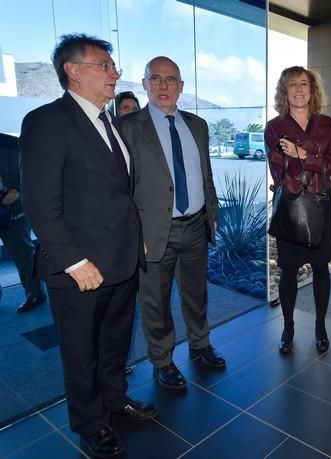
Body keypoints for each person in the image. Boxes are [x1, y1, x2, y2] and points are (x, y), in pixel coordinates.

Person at [19, 33, 157, 458]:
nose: (115, 72)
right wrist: (74, 261)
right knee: (82, 354)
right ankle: (90, 423)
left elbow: (118, 193)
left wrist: (139, 242)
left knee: (116, 343)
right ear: (73, 71)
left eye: (113, 65)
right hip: (81, 268)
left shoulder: (109, 121)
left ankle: (115, 400)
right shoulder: (47, 121)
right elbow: (40, 203)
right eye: (104, 65)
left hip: (122, 259)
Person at [116, 56, 224, 391]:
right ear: (144, 84)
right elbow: (120, 188)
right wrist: (135, 234)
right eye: (156, 79)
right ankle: (162, 361)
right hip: (153, 233)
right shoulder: (127, 128)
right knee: (155, 302)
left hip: (195, 227)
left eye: (171, 79)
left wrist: (212, 215)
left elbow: (205, 174)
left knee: (196, 294)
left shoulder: (198, 126)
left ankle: (200, 343)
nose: (164, 86)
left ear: (181, 86)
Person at [266, 66, 331, 354]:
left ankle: (321, 326)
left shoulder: (328, 125)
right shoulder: (275, 126)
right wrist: (314, 161)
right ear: (284, 92)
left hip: (321, 205)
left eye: (303, 84)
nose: (298, 90)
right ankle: (288, 327)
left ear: (312, 90)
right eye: (291, 85)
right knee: (288, 271)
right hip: (292, 206)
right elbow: (278, 170)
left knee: (321, 268)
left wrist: (303, 155)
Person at [0, 133, 45, 312]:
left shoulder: (12, 143)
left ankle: (35, 294)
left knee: (22, 253)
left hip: (12, 209)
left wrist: (17, 190)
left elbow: (31, 169)